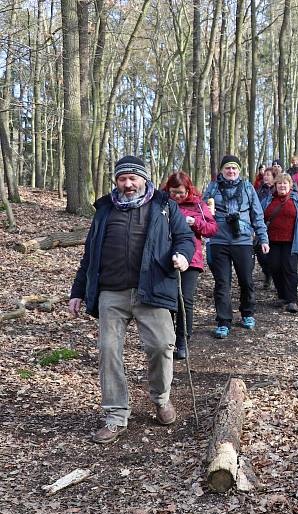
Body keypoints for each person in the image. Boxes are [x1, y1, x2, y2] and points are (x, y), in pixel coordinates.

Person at [68, 155, 195, 444]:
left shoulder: (164, 206)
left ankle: (161, 399)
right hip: (111, 292)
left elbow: (185, 237)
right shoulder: (103, 211)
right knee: (108, 350)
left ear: (144, 179)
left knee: (163, 345)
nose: (128, 184)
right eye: (122, 179)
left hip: (152, 289)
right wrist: (77, 291)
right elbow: (89, 255)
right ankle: (115, 416)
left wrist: (182, 255)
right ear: (116, 181)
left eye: (133, 178)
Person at [203, 155, 269, 338]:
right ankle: (223, 321)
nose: (231, 172)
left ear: (239, 171)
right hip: (218, 240)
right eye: (227, 169)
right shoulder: (213, 187)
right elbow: (202, 209)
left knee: (246, 280)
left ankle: (247, 312)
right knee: (222, 283)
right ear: (222, 171)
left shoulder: (248, 188)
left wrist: (263, 239)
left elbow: (257, 215)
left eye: (234, 169)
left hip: (243, 240)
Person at [162, 171, 218, 360]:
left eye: (181, 193)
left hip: (191, 258)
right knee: (167, 300)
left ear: (188, 190)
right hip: (164, 256)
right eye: (173, 192)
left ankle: (183, 341)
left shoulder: (198, 204)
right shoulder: (160, 203)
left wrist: (195, 223)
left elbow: (212, 229)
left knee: (185, 299)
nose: (177, 197)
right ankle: (167, 340)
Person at [263, 173, 298, 313]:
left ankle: (292, 299)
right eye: (279, 183)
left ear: (290, 186)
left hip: (292, 242)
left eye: (285, 183)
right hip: (272, 241)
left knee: (289, 269)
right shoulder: (267, 201)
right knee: (275, 268)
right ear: (275, 186)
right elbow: (258, 218)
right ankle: (282, 296)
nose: (282, 186)